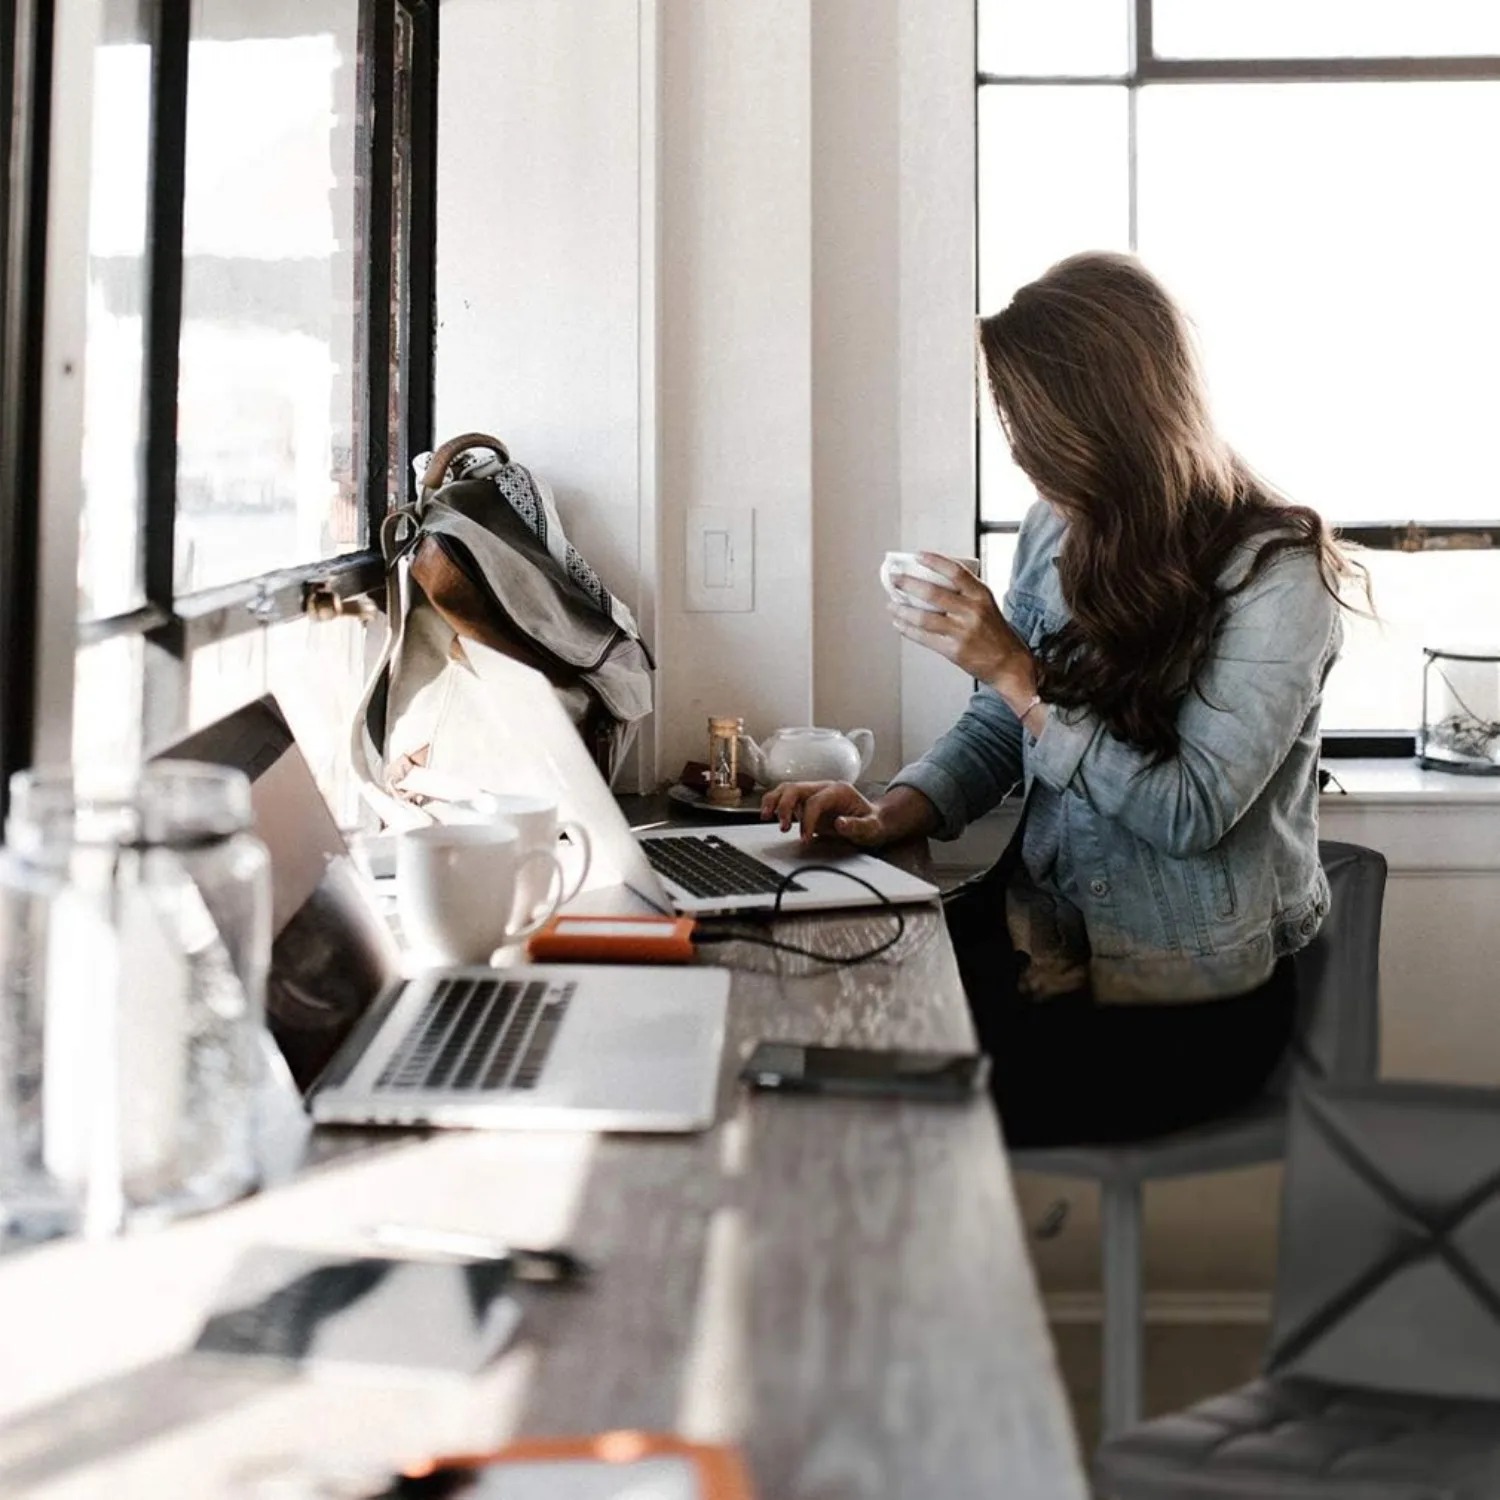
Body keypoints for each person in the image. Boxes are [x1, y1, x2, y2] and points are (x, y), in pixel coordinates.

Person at [761, 250, 1359, 1148]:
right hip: (1041, 945)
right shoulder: (1059, 525)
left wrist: (1014, 668)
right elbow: (1006, 723)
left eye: (1028, 424)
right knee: (802, 1012)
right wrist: (894, 812)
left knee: (855, 1098)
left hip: (1183, 1009)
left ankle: (913, 1282)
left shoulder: (1278, 574)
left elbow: (1189, 812)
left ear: (1106, 418)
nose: (1019, 450)